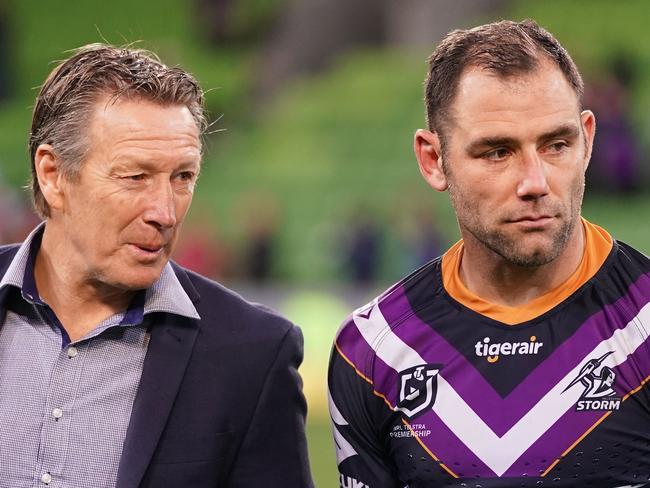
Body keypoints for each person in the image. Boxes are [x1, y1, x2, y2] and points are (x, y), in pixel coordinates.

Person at [328, 19, 650, 488]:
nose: (535, 183)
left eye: (556, 144)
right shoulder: (372, 352)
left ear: (588, 141)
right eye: (498, 152)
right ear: (434, 160)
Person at [0, 44, 313, 487]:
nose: (164, 212)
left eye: (183, 177)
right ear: (52, 175)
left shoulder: (254, 353)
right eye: (135, 177)